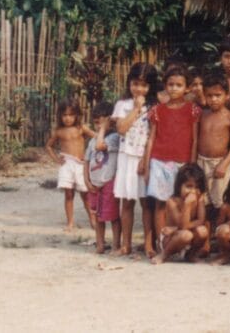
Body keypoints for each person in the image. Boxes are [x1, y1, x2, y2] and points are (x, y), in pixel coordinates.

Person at [143, 65, 200, 243]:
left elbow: (195, 139)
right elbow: (151, 139)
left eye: (179, 85)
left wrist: (191, 166)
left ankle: (178, 239)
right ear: (165, 86)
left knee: (179, 203)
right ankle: (162, 242)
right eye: (170, 84)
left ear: (187, 88)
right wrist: (146, 166)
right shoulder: (157, 110)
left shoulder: (193, 110)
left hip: (182, 163)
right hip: (159, 162)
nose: (174, 88)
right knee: (160, 203)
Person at [112, 62, 159, 256]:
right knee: (127, 202)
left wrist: (146, 160)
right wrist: (136, 109)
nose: (139, 89)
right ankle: (126, 244)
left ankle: (149, 244)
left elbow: (154, 136)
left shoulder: (155, 107)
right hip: (126, 158)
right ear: (129, 83)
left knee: (146, 203)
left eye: (144, 85)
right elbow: (121, 129)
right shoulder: (122, 105)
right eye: (135, 83)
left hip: (145, 159)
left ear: (151, 87)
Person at [46, 100, 95, 231]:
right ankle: (70, 223)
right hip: (67, 164)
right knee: (68, 195)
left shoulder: (81, 128)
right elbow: (49, 146)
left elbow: (96, 138)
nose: (68, 118)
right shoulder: (59, 131)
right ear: (60, 116)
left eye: (71, 115)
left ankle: (93, 220)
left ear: (77, 115)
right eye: (65, 115)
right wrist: (57, 159)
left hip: (80, 165)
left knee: (85, 194)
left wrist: (91, 155)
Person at [195, 74, 230, 213]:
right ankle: (206, 231)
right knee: (202, 200)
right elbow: (196, 140)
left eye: (218, 95)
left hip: (220, 164)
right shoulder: (202, 115)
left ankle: (218, 230)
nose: (213, 99)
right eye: (209, 95)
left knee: (219, 200)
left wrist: (224, 165)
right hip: (201, 162)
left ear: (226, 96)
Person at [151, 163, 210, 264]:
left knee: (203, 231)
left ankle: (190, 255)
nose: (193, 191)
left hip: (180, 232)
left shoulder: (200, 199)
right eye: (189, 186)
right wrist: (187, 205)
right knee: (186, 235)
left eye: (196, 187)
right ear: (179, 186)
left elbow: (200, 221)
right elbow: (183, 226)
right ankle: (164, 254)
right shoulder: (172, 202)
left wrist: (174, 229)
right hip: (170, 239)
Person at [83, 101, 122, 254]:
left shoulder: (114, 138)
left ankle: (116, 245)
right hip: (94, 184)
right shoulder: (92, 141)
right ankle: (100, 244)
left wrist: (105, 128)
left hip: (108, 183)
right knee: (97, 216)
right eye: (96, 123)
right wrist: (86, 181)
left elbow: (101, 146)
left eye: (102, 123)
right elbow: (86, 161)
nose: (99, 126)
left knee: (112, 216)